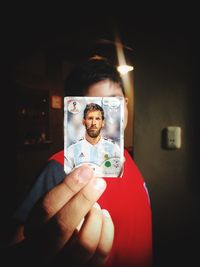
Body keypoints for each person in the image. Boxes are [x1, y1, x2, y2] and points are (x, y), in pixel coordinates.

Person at [3, 56, 153, 267]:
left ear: (125, 104)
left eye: (114, 102)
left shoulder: (128, 157)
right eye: (94, 107)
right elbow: (17, 247)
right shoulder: (57, 168)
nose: (106, 116)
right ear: (78, 114)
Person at [65, 102, 121, 177]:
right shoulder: (71, 151)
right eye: (90, 118)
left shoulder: (114, 150)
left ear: (103, 123)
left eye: (97, 119)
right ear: (83, 122)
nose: (94, 123)